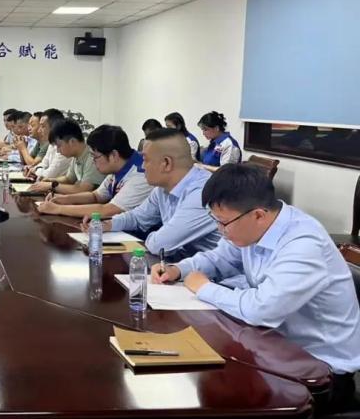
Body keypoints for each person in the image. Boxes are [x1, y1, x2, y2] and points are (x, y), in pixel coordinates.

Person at [151, 164, 360, 411]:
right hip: (271, 349)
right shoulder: (252, 226)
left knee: (214, 397)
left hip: (320, 374)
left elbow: (262, 309)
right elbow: (220, 258)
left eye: (224, 223)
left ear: (258, 215)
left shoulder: (303, 243)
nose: (220, 231)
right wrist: (179, 269)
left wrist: (204, 287)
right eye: (216, 221)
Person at [85, 128, 220, 259]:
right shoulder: (162, 188)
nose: (143, 166)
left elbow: (160, 245)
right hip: (184, 264)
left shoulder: (203, 192)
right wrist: (109, 224)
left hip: (214, 272)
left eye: (145, 159)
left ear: (166, 163)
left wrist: (151, 238)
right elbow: (138, 217)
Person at [38, 125, 152, 219]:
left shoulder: (140, 175)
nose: (93, 161)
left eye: (95, 157)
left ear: (113, 155)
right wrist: (63, 199)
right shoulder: (117, 168)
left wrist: (58, 209)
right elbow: (96, 196)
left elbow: (108, 210)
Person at [28, 119, 103, 195]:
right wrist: (50, 180)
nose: (58, 151)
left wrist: (51, 185)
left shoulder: (92, 157)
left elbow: (83, 189)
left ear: (72, 142)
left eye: (59, 146)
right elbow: (69, 179)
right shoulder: (76, 156)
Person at [30, 108, 72, 180]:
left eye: (43, 126)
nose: (39, 130)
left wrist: (35, 170)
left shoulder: (65, 146)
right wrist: (36, 169)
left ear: (54, 127)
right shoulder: (52, 144)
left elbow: (49, 175)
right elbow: (44, 163)